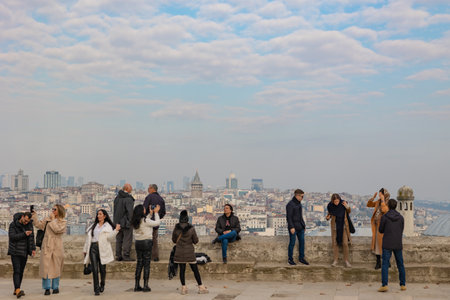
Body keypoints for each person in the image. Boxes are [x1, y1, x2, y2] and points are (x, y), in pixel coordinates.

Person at [83, 210, 120, 295]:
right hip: (93, 248)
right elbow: (88, 239)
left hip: (102, 248)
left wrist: (116, 230)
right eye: (98, 214)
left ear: (104, 216)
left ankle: (102, 284)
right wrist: (85, 250)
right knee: (95, 269)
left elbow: (110, 238)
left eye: (100, 214)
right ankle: (96, 289)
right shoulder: (93, 226)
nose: (98, 216)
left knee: (102, 269)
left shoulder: (107, 226)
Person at [32, 204, 67, 296]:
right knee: (46, 267)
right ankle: (47, 288)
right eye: (52, 209)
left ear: (59, 211)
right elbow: (39, 225)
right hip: (47, 245)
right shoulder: (47, 219)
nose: (52, 211)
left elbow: (57, 230)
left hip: (57, 246)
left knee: (56, 267)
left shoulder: (63, 222)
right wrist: (35, 216)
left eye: (54, 209)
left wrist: (53, 220)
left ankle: (55, 287)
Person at [172, 210, 208, 295]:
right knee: (195, 270)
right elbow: (195, 241)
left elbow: (174, 240)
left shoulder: (176, 228)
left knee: (182, 270)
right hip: (189, 252)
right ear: (187, 219)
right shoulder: (191, 229)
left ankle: (184, 288)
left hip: (179, 252)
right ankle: (201, 287)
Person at [378, 199, 406, 292]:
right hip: (397, 243)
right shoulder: (401, 217)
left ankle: (384, 284)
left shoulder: (385, 217)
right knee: (400, 264)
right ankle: (403, 284)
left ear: (389, 206)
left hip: (387, 243)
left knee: (385, 264)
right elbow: (401, 230)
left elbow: (380, 230)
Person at [131, 204, 161, 292]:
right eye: (144, 209)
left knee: (139, 263)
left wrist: (150, 214)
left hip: (138, 242)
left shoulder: (135, 221)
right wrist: (156, 213)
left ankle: (136, 285)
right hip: (147, 242)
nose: (145, 210)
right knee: (146, 264)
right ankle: (145, 285)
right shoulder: (146, 220)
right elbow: (157, 223)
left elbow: (145, 220)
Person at [8, 212, 35, 298]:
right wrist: (24, 234)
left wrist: (33, 249)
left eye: (28, 221)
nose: (26, 222)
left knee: (21, 271)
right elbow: (12, 237)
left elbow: (31, 238)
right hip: (15, 251)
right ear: (22, 217)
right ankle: (18, 289)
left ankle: (16, 289)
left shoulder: (29, 225)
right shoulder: (13, 225)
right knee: (17, 271)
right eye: (25, 220)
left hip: (24, 252)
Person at [326, 194, 352, 268]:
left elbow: (349, 211)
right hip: (335, 228)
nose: (336, 203)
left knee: (345, 244)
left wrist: (346, 205)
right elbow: (329, 215)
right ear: (332, 201)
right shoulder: (330, 206)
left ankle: (346, 260)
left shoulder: (343, 204)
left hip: (343, 227)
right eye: (335, 201)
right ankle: (335, 260)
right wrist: (327, 217)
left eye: (337, 201)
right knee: (335, 244)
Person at [367, 188, 389, 269]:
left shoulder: (388, 202)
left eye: (381, 194)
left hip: (383, 227)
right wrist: (373, 198)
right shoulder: (378, 202)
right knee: (377, 244)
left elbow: (385, 210)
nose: (380, 196)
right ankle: (378, 261)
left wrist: (383, 201)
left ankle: (386, 261)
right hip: (376, 226)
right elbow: (369, 205)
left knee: (384, 245)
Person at [143, 184, 166, 262]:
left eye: (149, 188)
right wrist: (158, 218)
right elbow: (163, 212)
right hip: (156, 223)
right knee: (154, 240)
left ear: (152, 189)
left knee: (146, 239)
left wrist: (147, 217)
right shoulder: (161, 199)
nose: (148, 190)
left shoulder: (149, 197)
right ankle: (155, 256)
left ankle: (147, 256)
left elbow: (144, 210)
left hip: (148, 223)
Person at [286, 189, 309, 265]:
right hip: (293, 227)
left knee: (302, 242)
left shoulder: (299, 204)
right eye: (302, 196)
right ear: (297, 195)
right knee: (292, 243)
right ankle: (290, 259)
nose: (302, 198)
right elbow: (289, 217)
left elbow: (300, 216)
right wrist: (291, 227)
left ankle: (301, 258)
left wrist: (303, 225)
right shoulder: (290, 204)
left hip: (300, 227)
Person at [113, 183, 135, 261]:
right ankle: (126, 255)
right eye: (131, 188)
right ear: (127, 189)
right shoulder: (128, 199)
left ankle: (118, 255)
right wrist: (130, 221)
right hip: (126, 222)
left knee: (119, 239)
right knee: (127, 239)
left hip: (117, 222)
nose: (132, 190)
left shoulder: (117, 198)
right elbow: (130, 212)